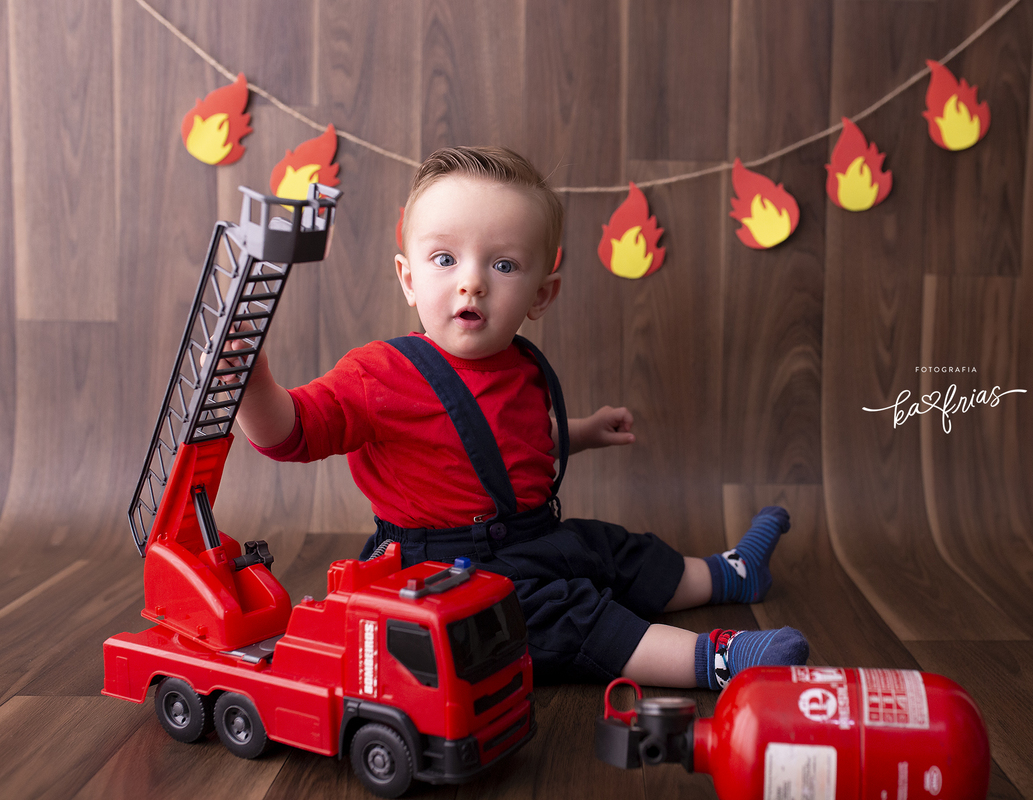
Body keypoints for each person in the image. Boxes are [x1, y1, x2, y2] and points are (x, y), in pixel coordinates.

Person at [232, 145, 808, 688]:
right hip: (441, 572)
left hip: (533, 534)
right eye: (444, 259)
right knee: (564, 618)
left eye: (504, 264)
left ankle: (730, 573)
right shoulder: (376, 376)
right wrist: (254, 385)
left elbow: (515, 443)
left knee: (612, 549)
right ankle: (718, 659)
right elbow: (291, 433)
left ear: (541, 295)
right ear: (409, 278)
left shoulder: (518, 364)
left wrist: (581, 433)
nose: (472, 281)